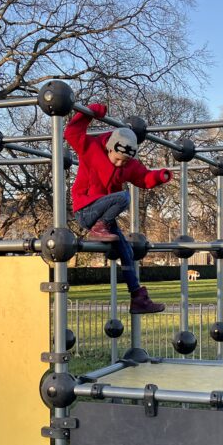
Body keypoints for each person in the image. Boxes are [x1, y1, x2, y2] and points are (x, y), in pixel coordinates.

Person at [65, 102, 172, 314]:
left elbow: (143, 177)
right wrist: (91, 112)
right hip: (85, 209)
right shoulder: (91, 148)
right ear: (109, 147)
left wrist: (160, 176)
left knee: (126, 250)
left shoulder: (128, 164)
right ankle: (98, 229)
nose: (120, 164)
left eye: (125, 161)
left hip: (104, 215)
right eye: (117, 158)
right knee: (124, 196)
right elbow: (72, 132)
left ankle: (138, 297)